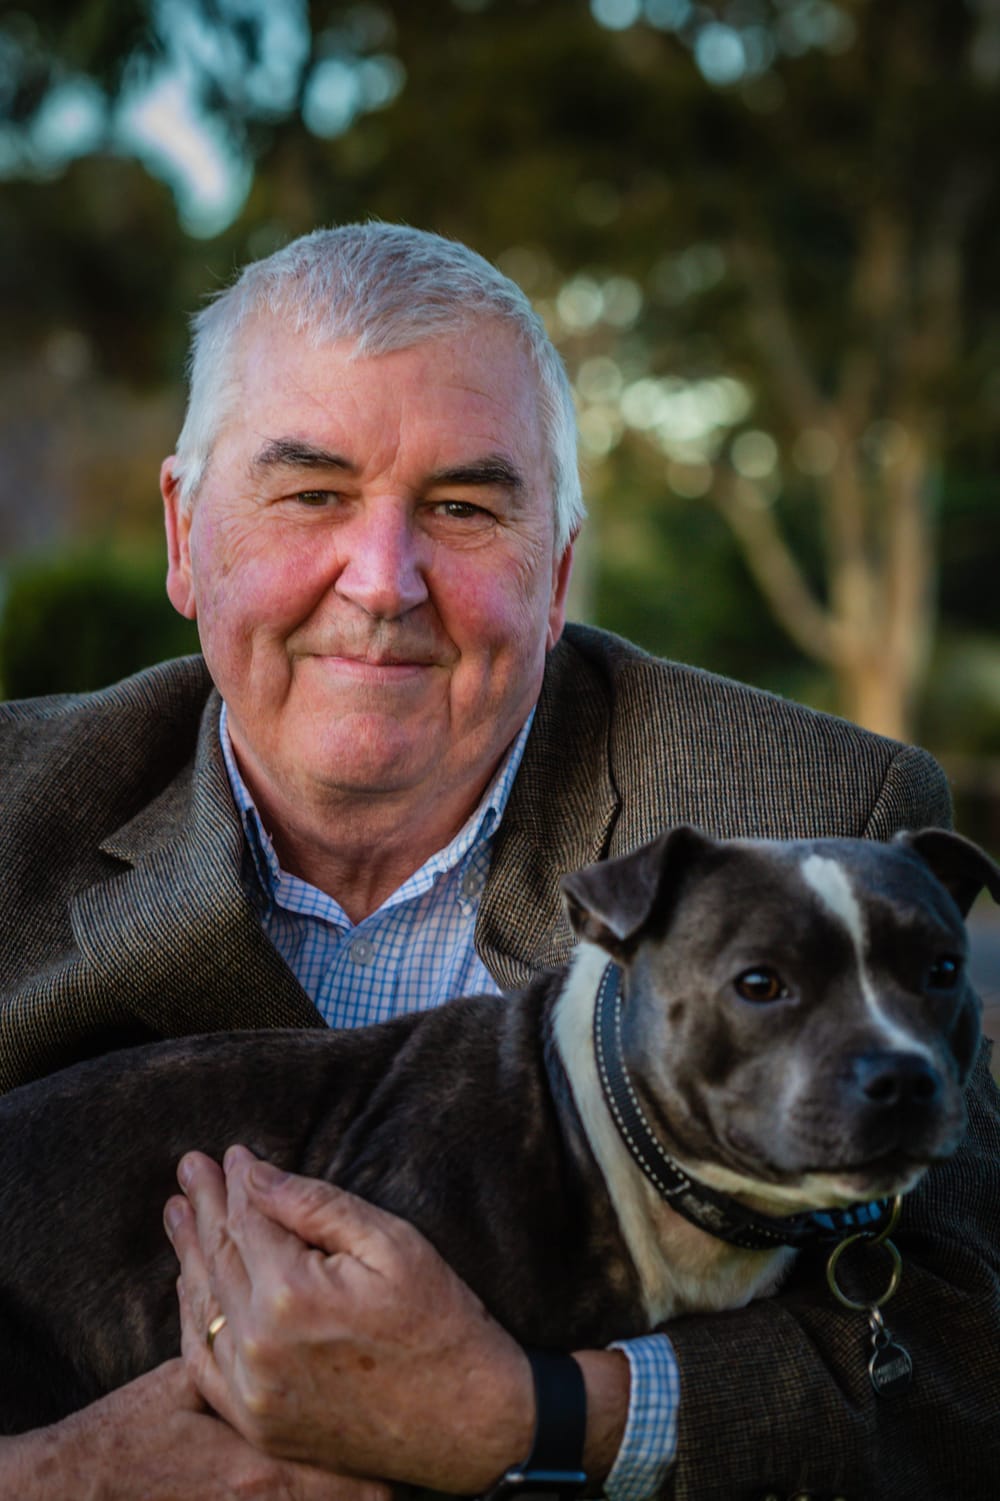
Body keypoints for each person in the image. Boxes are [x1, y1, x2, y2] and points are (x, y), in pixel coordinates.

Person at [0, 222, 996, 1501]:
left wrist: (530, 1411)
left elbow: (967, 1350)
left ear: (559, 570)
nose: (384, 580)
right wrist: (61, 1476)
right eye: (311, 494)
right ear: (186, 536)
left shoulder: (812, 817)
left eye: (464, 507)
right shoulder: (16, 811)